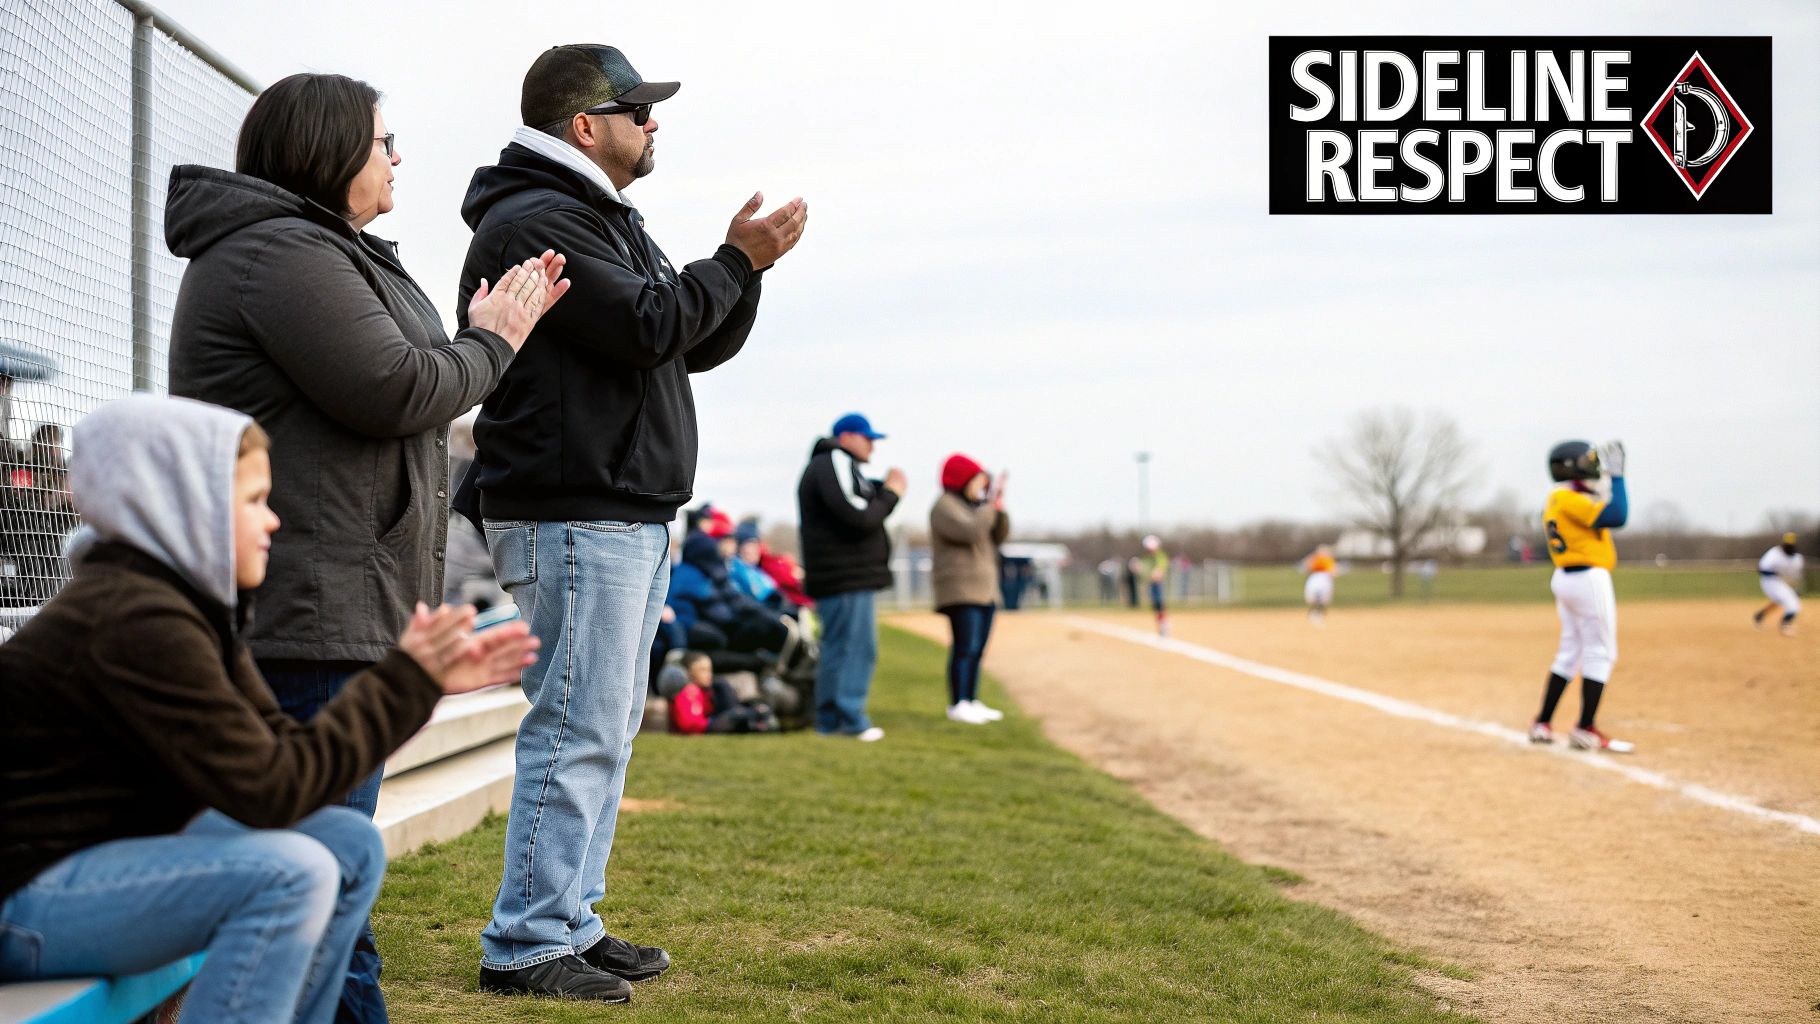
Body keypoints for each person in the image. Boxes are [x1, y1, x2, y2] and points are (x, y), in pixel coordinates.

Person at [164, 72, 564, 1022]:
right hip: (308, 610)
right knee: (319, 878)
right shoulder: (278, 253)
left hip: (340, 604)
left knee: (329, 874)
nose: (397, 159)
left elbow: (412, 376)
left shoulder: (317, 247)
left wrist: (470, 346)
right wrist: (494, 343)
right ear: (331, 150)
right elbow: (394, 386)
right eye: (384, 143)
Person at [452, 43, 806, 1001]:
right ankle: (525, 944)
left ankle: (570, 917)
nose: (653, 122)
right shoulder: (536, 218)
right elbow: (655, 323)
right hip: (573, 509)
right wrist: (737, 257)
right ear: (584, 126)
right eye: (637, 108)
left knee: (602, 729)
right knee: (576, 729)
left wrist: (749, 272)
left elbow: (686, 339)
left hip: (615, 508)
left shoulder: (595, 213)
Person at [0, 396, 537, 1024]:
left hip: (79, 867)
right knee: (292, 873)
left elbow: (282, 757)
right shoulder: (134, 618)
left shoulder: (180, 604)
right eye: (253, 500)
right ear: (183, 503)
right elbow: (271, 792)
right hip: (21, 897)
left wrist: (421, 685)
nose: (273, 520)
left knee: (344, 842)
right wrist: (406, 681)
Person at [797, 413, 905, 741]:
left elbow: (857, 503)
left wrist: (879, 490)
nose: (872, 444)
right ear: (846, 437)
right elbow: (858, 516)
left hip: (843, 577)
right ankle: (849, 718)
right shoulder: (833, 458)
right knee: (853, 648)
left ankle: (831, 720)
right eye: (867, 437)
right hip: (845, 577)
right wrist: (892, 493)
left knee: (840, 647)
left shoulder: (836, 464)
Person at [1530, 440, 1633, 753]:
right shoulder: (1565, 497)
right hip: (1588, 578)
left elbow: (1597, 504)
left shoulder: (1563, 496)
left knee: (1571, 652)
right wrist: (1617, 477)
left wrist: (1601, 484)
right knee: (1601, 652)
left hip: (1568, 577)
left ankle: (1542, 722)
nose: (1594, 465)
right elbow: (1617, 515)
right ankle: (1585, 727)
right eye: (1588, 461)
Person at [930, 454, 1011, 725]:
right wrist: (989, 508)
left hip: (984, 589)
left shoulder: (978, 507)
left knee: (978, 649)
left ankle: (971, 699)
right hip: (961, 590)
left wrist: (999, 509)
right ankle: (958, 703)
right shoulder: (944, 506)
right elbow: (970, 532)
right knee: (965, 647)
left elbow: (998, 537)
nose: (981, 486)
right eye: (978, 481)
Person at [1753, 532, 1804, 636]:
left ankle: (1760, 615)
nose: (1789, 547)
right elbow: (1761, 569)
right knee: (1793, 605)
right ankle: (1785, 625)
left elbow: (1796, 577)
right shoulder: (1775, 553)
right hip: (1770, 581)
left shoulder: (1797, 559)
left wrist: (1796, 588)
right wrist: (1776, 573)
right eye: (1787, 545)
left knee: (1780, 600)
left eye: (1791, 545)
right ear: (1783, 544)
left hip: (1781, 582)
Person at [1142, 535, 1170, 636]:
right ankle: (1160, 625)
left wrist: (1157, 573)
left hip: (1158, 584)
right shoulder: (1148, 558)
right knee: (1155, 606)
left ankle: (1164, 625)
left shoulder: (1160, 556)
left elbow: (1160, 569)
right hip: (1151, 584)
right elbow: (1145, 570)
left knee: (1159, 604)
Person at [1302, 544, 1337, 624]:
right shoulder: (1314, 559)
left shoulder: (1328, 560)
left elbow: (1332, 571)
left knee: (1323, 598)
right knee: (1313, 597)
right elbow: (1307, 568)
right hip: (1316, 578)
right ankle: (1314, 611)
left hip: (1324, 578)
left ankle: (1320, 612)